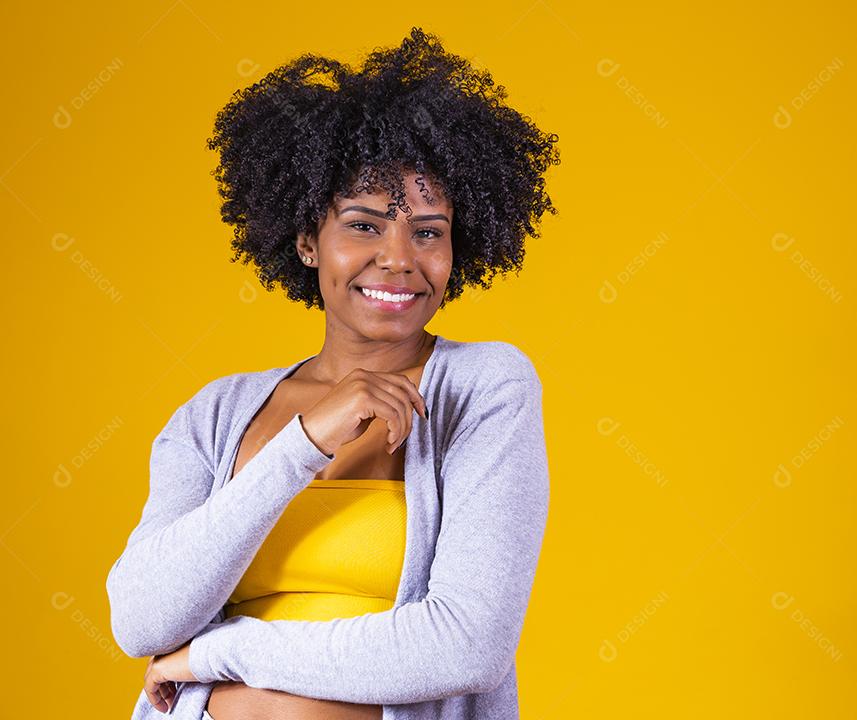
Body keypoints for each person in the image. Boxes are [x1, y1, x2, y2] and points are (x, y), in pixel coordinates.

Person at [105, 26, 559, 720]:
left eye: (429, 231)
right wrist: (302, 443)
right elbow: (142, 620)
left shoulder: (487, 388)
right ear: (305, 241)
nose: (400, 257)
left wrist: (216, 655)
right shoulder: (215, 414)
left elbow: (466, 645)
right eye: (364, 225)